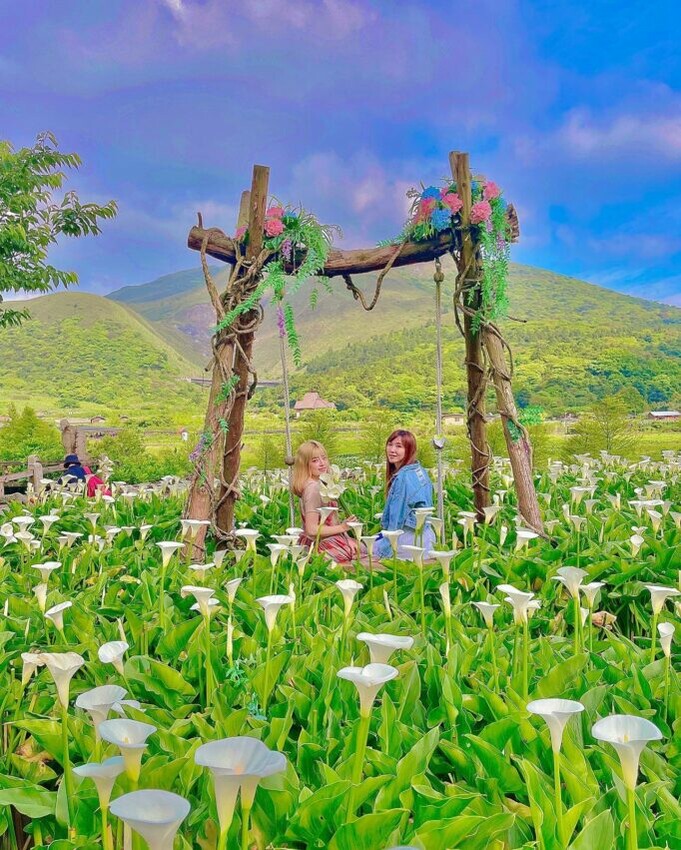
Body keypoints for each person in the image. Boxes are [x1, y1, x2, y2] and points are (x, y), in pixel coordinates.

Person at [373, 430, 436, 559]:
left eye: (399, 446)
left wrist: (384, 550)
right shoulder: (419, 470)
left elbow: (397, 518)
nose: (392, 450)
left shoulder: (403, 478)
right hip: (427, 537)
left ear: (409, 450)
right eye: (390, 444)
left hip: (409, 541)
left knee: (365, 548)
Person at [293, 440, 359, 562]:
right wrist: (343, 527)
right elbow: (311, 529)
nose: (322, 464)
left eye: (324, 458)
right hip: (321, 544)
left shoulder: (320, 484)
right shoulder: (313, 488)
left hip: (324, 540)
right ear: (304, 464)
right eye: (315, 460)